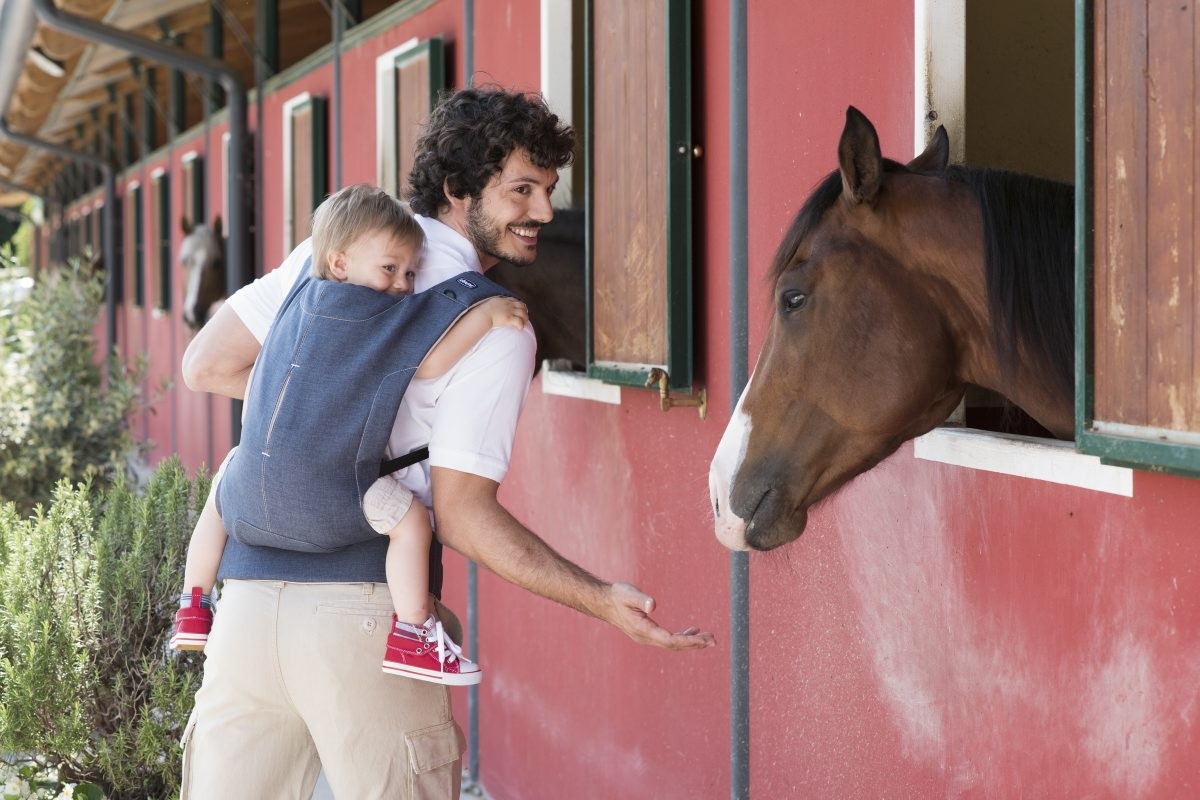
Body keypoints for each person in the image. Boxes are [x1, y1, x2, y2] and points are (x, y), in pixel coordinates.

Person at [179, 86, 714, 799]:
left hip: (244, 605)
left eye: (550, 190)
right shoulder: (494, 324)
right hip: (364, 611)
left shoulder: (332, 253)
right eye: (522, 190)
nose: (546, 214)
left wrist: (324, 411)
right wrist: (599, 600)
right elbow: (461, 514)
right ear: (459, 189)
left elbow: (205, 364)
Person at [171, 184, 528, 687]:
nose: (403, 285)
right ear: (340, 263)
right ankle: (413, 633)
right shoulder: (374, 316)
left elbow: (217, 368)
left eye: (409, 272)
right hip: (332, 486)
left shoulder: (297, 306)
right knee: (411, 525)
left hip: (260, 475)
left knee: (220, 493)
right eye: (391, 269)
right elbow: (428, 365)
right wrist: (487, 314)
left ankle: (192, 602)